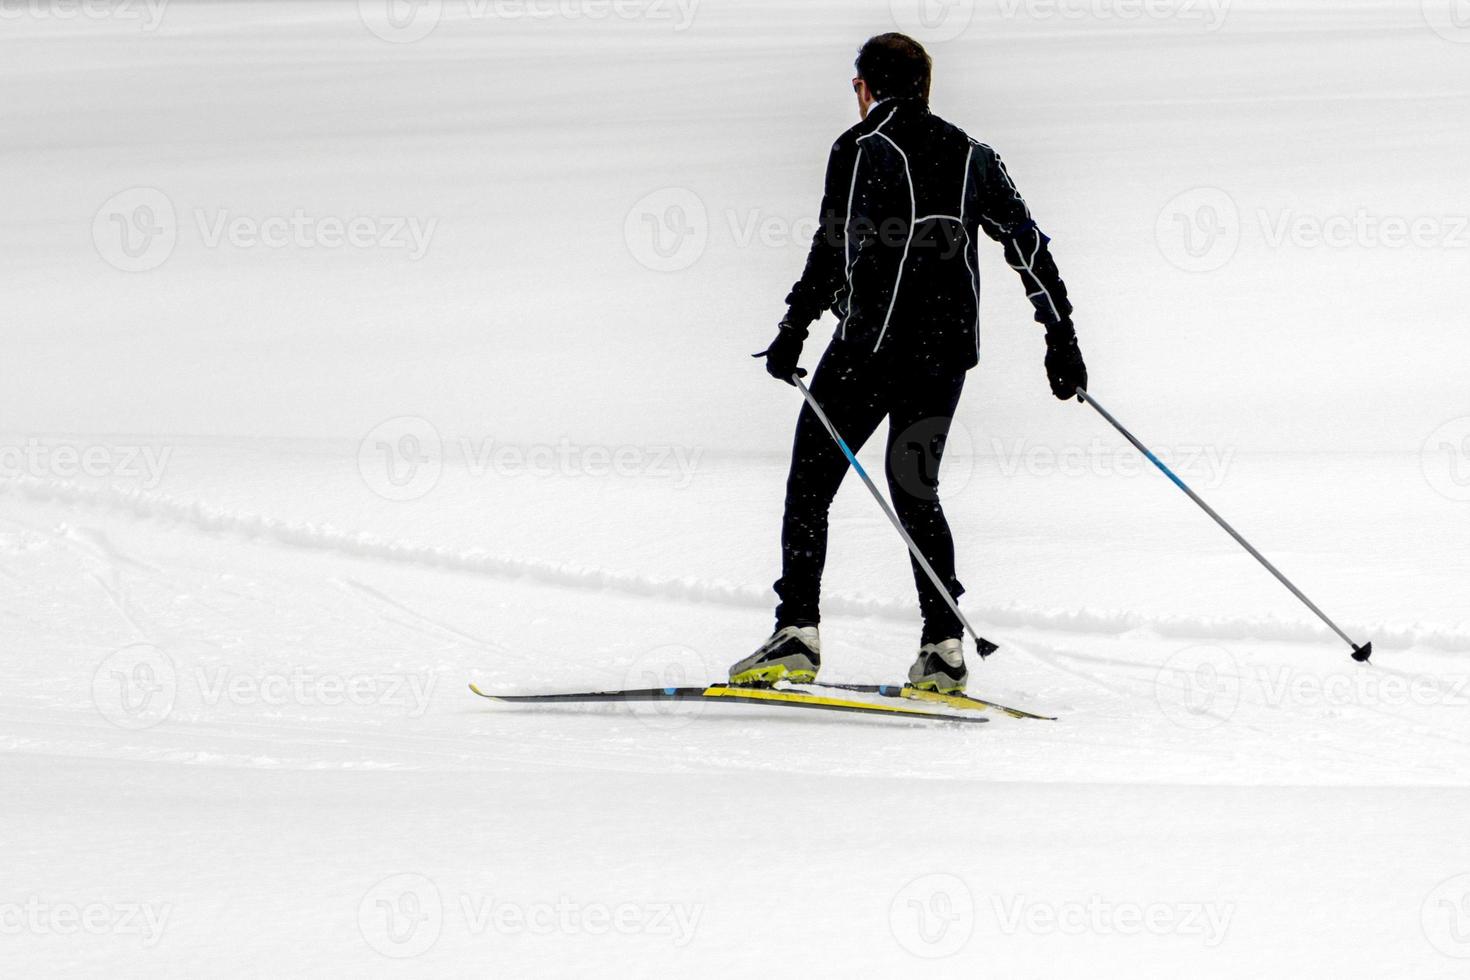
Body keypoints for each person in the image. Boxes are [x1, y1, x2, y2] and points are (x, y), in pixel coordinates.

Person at [729, 33, 1087, 694]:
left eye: (856, 86)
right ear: (924, 85)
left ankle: (796, 635)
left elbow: (832, 244)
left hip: (868, 350)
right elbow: (1028, 244)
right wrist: (1060, 336)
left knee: (811, 483)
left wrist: (794, 328)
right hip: (944, 356)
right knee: (915, 490)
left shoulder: (861, 147)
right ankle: (943, 648)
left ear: (867, 86)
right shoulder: (974, 156)